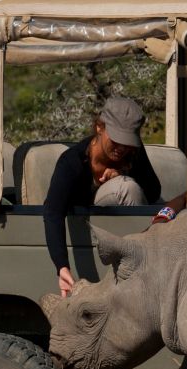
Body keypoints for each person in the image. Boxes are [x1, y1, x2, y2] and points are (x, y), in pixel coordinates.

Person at [44, 97, 160, 297]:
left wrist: (123, 171)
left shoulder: (131, 155)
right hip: (91, 227)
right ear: (99, 127)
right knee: (126, 188)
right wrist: (62, 266)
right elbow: (53, 212)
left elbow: (153, 191)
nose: (121, 148)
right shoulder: (72, 162)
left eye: (127, 142)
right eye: (116, 139)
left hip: (122, 235)